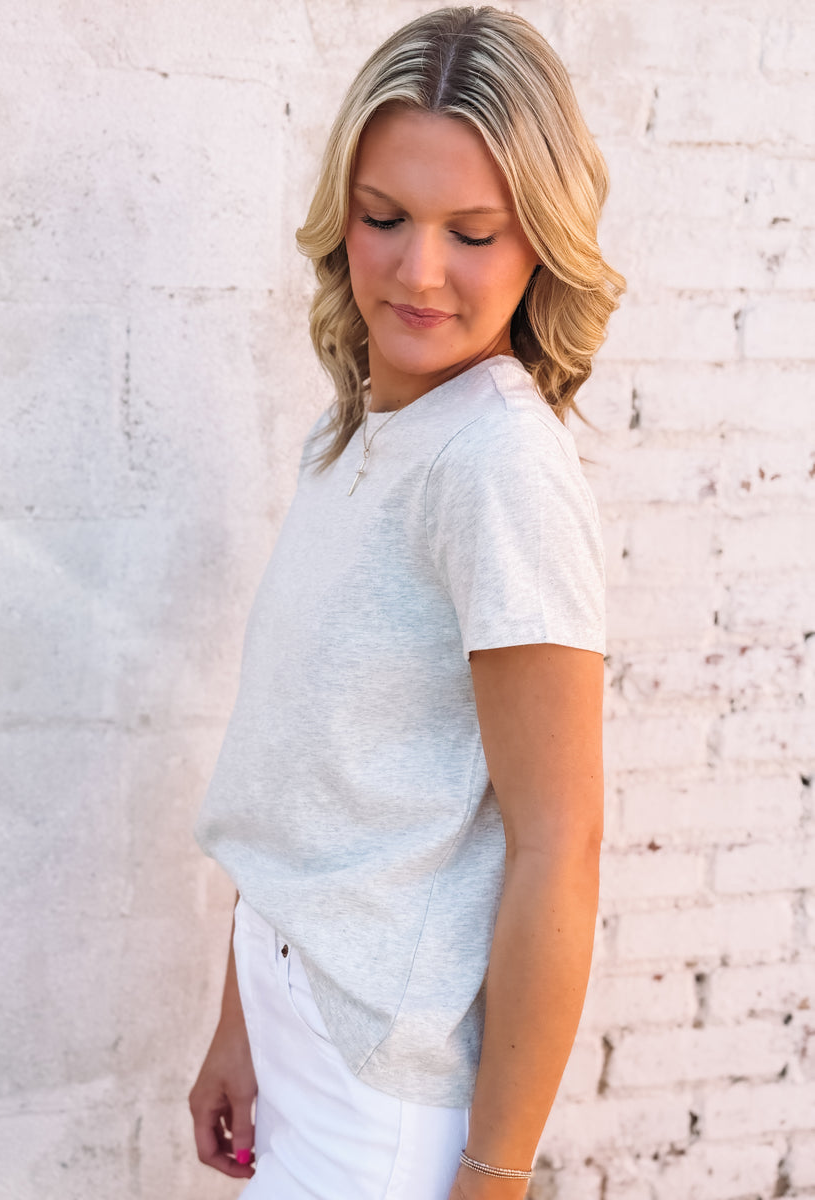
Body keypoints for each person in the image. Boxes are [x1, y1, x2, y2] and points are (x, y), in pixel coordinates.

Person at [190, 7, 624, 1199]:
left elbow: (559, 847)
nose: (418, 270)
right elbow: (305, 773)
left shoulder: (497, 469)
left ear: (541, 245)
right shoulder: (357, 433)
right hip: (299, 1027)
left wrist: (494, 1177)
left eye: (472, 233)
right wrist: (242, 1025)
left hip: (385, 1093)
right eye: (385, 218)